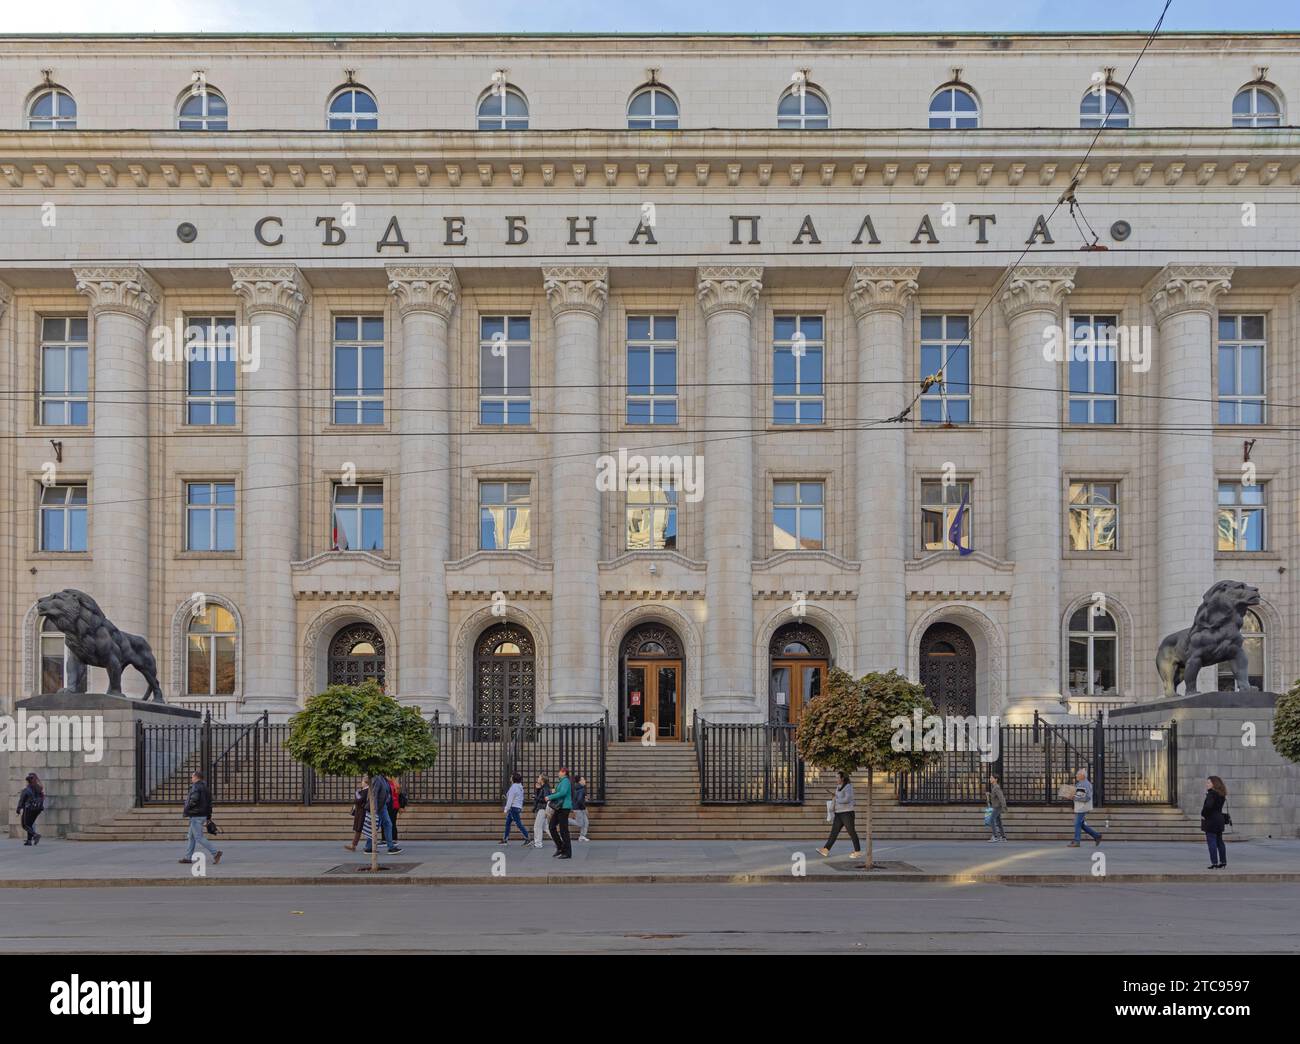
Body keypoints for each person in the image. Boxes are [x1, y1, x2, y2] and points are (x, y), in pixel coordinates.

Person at [179, 770, 223, 865]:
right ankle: (188, 857)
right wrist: (208, 816)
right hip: (202, 815)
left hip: (196, 815)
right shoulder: (205, 788)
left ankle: (215, 853)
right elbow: (209, 804)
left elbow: (194, 800)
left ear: (196, 777)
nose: (191, 778)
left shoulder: (196, 786)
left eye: (192, 777)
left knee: (198, 837)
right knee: (191, 836)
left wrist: (187, 808)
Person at [818, 771, 862, 858]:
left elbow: (847, 799)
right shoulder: (838, 787)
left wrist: (836, 799)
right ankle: (826, 850)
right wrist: (834, 798)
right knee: (834, 832)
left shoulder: (848, 786)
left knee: (851, 832)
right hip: (839, 813)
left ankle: (857, 851)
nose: (836, 779)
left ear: (842, 778)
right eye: (836, 777)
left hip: (847, 813)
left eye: (838, 777)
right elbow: (839, 798)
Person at [363, 773, 402, 854]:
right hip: (378, 806)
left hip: (382, 806)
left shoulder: (383, 778)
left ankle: (389, 847)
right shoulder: (378, 778)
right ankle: (370, 847)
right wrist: (374, 809)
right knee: (376, 825)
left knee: (386, 824)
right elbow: (374, 794)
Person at [1068, 768, 1102, 847]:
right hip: (1080, 807)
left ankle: (1077, 841)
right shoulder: (1080, 783)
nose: (1076, 775)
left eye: (1078, 774)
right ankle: (1096, 836)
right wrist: (1072, 795)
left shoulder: (1085, 784)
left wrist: (1074, 797)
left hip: (1082, 808)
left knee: (1077, 824)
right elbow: (1079, 795)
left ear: (1082, 776)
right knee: (1080, 824)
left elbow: (1087, 797)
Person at [1202, 775, 1229, 869]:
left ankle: (1214, 863)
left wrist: (1203, 814)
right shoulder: (1221, 794)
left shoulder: (1211, 794)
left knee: (1211, 842)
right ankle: (1223, 861)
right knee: (1220, 842)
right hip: (1220, 819)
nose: (1206, 784)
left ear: (1214, 784)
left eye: (1209, 782)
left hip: (1211, 820)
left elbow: (1208, 807)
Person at [548, 767, 573, 858]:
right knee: (551, 826)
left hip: (564, 807)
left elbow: (563, 793)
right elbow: (560, 791)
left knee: (564, 830)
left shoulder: (565, 781)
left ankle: (567, 852)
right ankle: (560, 847)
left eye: (560, 771)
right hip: (560, 807)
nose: (558, 772)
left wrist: (550, 797)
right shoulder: (562, 781)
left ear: (564, 772)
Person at [501, 772, 530, 845]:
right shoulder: (520, 787)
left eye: (511, 777)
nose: (510, 778)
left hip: (513, 808)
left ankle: (528, 838)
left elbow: (510, 799)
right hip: (517, 807)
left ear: (514, 778)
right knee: (508, 823)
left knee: (518, 824)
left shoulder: (513, 787)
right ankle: (505, 839)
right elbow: (517, 798)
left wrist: (506, 809)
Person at [16, 773, 44, 846]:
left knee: (24, 824)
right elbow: (42, 797)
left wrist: (18, 809)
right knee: (30, 824)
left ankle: (35, 835)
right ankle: (29, 841)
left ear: (28, 781)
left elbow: (21, 800)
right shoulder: (38, 788)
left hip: (29, 808)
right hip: (37, 809)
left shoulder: (26, 790)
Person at [344, 776, 369, 851]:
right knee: (359, 828)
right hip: (359, 811)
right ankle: (354, 845)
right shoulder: (364, 790)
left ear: (366, 783)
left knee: (359, 828)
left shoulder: (366, 790)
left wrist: (357, 794)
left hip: (362, 812)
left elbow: (359, 800)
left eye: (363, 781)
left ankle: (354, 845)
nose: (361, 783)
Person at [530, 774, 552, 849]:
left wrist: (535, 797)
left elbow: (545, 799)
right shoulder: (543, 788)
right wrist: (538, 789)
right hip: (543, 809)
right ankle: (559, 841)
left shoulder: (545, 788)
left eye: (539, 777)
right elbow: (541, 797)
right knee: (546, 827)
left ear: (542, 779)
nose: (538, 778)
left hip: (542, 809)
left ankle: (538, 843)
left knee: (537, 827)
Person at [987, 773, 1008, 842]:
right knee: (999, 822)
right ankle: (1003, 837)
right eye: (990, 778)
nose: (990, 779)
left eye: (991, 778)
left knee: (991, 820)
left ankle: (995, 836)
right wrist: (989, 794)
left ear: (995, 779)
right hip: (996, 806)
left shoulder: (996, 787)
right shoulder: (994, 787)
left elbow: (1001, 798)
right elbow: (995, 797)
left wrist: (1004, 807)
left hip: (997, 807)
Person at [387, 774, 405, 843]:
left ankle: (393, 838)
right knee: (391, 822)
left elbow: (396, 795)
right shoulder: (394, 784)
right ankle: (391, 838)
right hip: (393, 805)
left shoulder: (392, 784)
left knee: (392, 822)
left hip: (392, 805)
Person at [572, 774, 590, 842]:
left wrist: (584, 799)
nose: (585, 781)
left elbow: (578, 798)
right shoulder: (582, 789)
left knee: (586, 822)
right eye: (583, 779)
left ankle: (582, 836)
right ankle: (565, 820)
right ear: (580, 781)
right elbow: (579, 800)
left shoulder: (577, 788)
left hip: (578, 808)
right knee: (580, 823)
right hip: (579, 809)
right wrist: (584, 808)